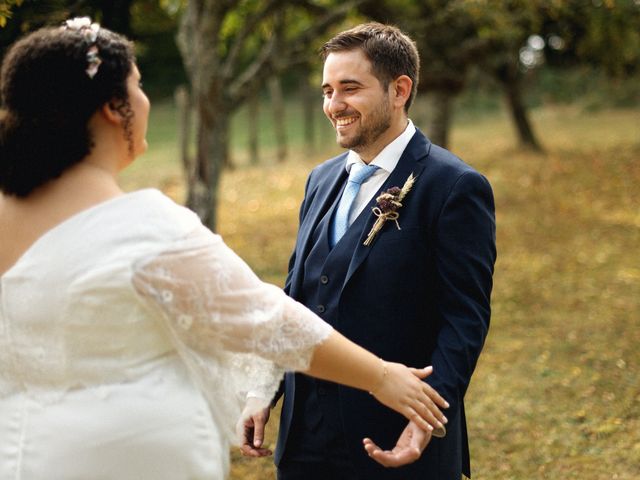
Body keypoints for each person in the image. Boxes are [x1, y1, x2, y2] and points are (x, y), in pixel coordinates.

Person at [0, 19, 449, 480]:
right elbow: (267, 319)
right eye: (138, 85)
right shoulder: (142, 226)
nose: (145, 98)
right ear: (114, 108)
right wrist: (380, 377)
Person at [241, 23, 497, 479]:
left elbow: (465, 318)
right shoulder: (320, 180)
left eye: (350, 88)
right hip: (305, 445)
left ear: (400, 90)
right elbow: (296, 296)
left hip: (394, 442)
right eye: (327, 90)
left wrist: (425, 418)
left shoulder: (454, 186)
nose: (333, 105)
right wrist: (264, 387)